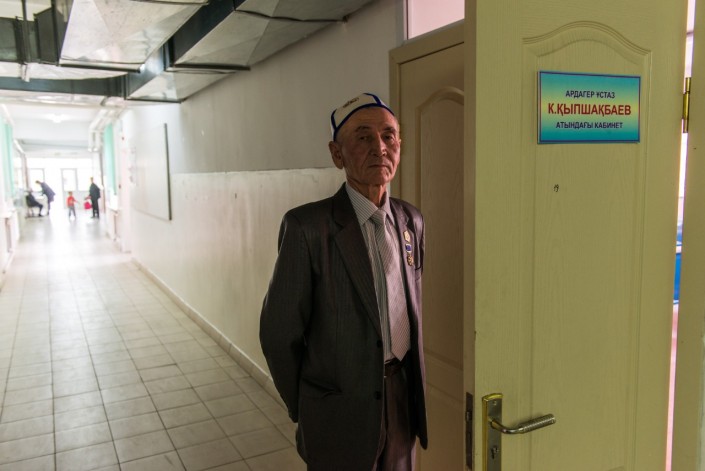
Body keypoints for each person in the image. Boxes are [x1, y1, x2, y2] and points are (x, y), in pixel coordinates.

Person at [260, 93, 427, 470]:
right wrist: (308, 404)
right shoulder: (307, 228)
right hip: (338, 410)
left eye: (389, 136)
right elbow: (278, 334)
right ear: (337, 154)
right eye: (363, 137)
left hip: (401, 401)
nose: (380, 147)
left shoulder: (411, 221)